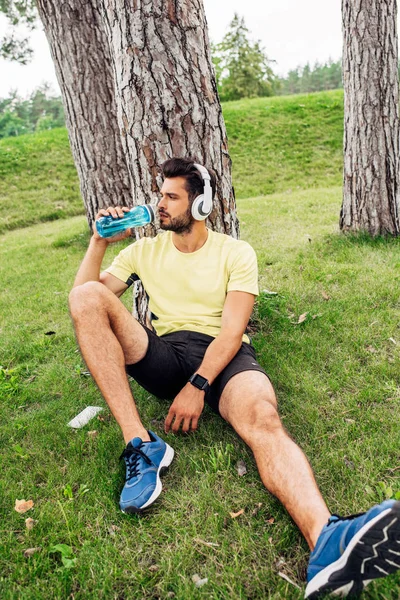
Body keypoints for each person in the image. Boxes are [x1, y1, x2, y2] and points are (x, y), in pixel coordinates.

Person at [69, 157, 400, 598]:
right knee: (88, 296)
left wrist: (198, 386)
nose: (160, 205)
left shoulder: (235, 252)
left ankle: (327, 541)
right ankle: (141, 445)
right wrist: (97, 242)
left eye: (171, 197)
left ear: (201, 204)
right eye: (160, 195)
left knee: (263, 417)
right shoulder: (141, 251)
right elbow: (82, 300)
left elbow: (230, 333)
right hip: (164, 352)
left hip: (223, 356)